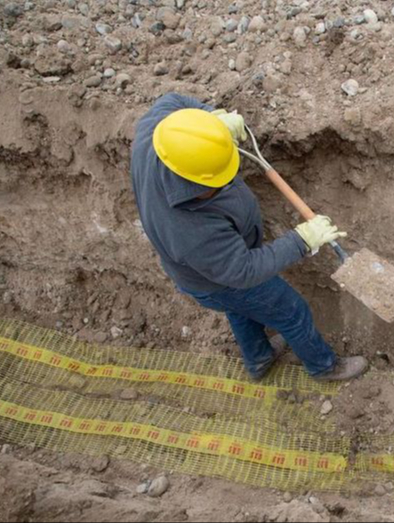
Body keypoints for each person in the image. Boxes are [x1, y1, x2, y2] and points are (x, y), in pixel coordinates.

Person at [130, 92, 367, 382]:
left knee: (241, 307)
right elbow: (243, 271)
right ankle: (324, 366)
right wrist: (301, 240)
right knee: (290, 310)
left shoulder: (159, 134)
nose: (229, 178)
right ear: (193, 180)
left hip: (216, 270)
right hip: (216, 281)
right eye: (218, 182)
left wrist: (212, 120)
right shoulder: (189, 228)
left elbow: (173, 99)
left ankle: (259, 358)